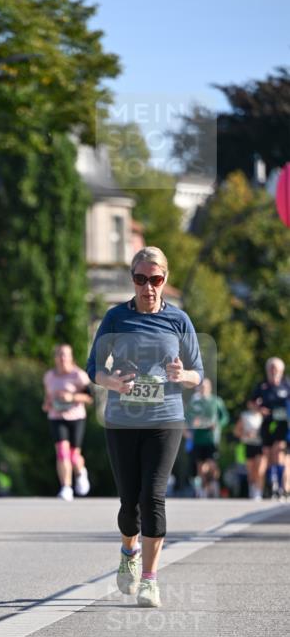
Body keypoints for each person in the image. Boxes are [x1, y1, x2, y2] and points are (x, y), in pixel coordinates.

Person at [86, 247, 203, 608]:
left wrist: (182, 375)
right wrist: (113, 383)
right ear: (132, 280)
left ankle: (150, 579)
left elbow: (198, 373)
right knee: (129, 503)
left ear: (165, 279)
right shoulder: (116, 317)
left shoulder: (179, 320)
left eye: (155, 279)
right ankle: (128, 551)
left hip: (165, 419)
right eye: (140, 279)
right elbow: (93, 368)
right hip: (123, 421)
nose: (148, 287)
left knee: (153, 496)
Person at [42, 343, 92, 501]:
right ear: (55, 358)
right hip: (56, 417)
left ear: (71, 357)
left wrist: (72, 397)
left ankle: (81, 472)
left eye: (65, 355)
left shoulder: (79, 376)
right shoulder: (49, 376)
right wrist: (47, 404)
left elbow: (89, 398)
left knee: (73, 455)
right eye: (59, 355)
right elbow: (48, 397)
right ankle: (66, 487)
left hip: (76, 417)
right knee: (62, 452)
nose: (62, 358)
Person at [248, 357, 290, 498]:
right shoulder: (262, 386)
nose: (273, 371)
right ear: (267, 370)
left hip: (282, 424)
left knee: (279, 451)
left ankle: (280, 484)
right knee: (268, 454)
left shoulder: (286, 384)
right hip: (267, 424)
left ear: (281, 370)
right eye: (271, 368)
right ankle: (273, 484)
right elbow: (251, 402)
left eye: (276, 368)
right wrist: (259, 409)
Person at [184, 378, 228, 497]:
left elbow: (225, 417)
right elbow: (187, 417)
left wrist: (217, 424)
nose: (203, 389)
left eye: (205, 386)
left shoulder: (216, 401)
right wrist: (192, 424)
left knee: (211, 464)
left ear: (210, 388)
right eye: (201, 387)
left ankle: (213, 482)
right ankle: (203, 490)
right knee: (200, 466)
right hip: (198, 438)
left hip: (212, 439)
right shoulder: (194, 402)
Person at [233, 407, 264, 499]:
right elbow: (236, 431)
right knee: (251, 470)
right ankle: (252, 489)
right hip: (249, 444)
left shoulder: (264, 415)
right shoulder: (245, 415)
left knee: (259, 469)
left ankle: (259, 492)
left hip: (261, 445)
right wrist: (245, 434)